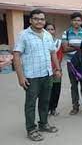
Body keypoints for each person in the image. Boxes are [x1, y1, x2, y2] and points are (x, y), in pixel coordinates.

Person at [13, 9, 61, 141]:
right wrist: (20, 77)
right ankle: (31, 129)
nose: (39, 21)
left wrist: (57, 69)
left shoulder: (47, 35)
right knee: (30, 104)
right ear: (30, 20)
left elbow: (53, 53)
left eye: (42, 19)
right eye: (36, 19)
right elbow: (16, 55)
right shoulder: (23, 35)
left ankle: (43, 124)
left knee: (45, 101)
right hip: (31, 76)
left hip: (47, 74)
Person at [62, 12, 82, 115]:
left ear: (81, 21)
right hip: (71, 63)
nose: (76, 22)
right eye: (74, 20)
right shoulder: (66, 33)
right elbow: (64, 49)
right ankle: (75, 107)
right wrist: (79, 47)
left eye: (78, 20)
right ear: (71, 21)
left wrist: (73, 46)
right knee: (73, 85)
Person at [45, 23, 63, 116]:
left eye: (52, 29)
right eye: (48, 29)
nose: (50, 31)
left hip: (56, 69)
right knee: (47, 91)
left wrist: (57, 69)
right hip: (45, 70)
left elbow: (59, 57)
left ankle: (53, 109)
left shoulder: (58, 43)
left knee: (56, 90)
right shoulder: (42, 42)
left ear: (55, 31)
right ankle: (46, 109)